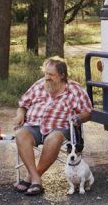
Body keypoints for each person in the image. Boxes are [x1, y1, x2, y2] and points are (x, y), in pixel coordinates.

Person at [12, 56, 92, 196]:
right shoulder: (39, 85)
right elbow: (22, 105)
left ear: (62, 75)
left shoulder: (74, 89)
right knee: (21, 134)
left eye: (51, 74)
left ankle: (31, 178)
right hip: (34, 126)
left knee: (53, 138)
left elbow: (88, 113)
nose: (47, 77)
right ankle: (36, 179)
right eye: (45, 73)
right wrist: (20, 114)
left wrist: (78, 117)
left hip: (59, 128)